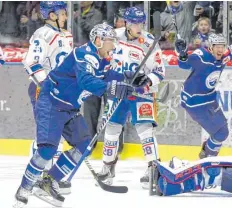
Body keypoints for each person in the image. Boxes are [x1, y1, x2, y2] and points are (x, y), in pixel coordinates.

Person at [13, 23, 139, 208]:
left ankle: (49, 181)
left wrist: (130, 76)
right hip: (51, 103)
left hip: (69, 108)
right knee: (47, 149)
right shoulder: (84, 55)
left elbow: (108, 74)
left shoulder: (102, 58)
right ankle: (24, 189)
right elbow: (86, 81)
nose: (114, 45)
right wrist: (113, 88)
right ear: (98, 41)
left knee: (84, 144)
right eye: (110, 41)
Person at [174, 20, 232, 159]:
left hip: (209, 98)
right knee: (221, 133)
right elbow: (184, 64)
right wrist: (181, 52)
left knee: (222, 131)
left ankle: (206, 153)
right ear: (210, 47)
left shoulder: (224, 56)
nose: (220, 49)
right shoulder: (201, 56)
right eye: (217, 46)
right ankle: (207, 159)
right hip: (194, 102)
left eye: (222, 46)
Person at [97, 6, 165, 189]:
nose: (138, 26)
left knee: (144, 129)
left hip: (140, 92)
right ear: (126, 22)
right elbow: (102, 57)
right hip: (117, 89)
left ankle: (153, 168)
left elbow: (160, 71)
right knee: (111, 128)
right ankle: (107, 167)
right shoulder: (114, 36)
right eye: (134, 23)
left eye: (141, 22)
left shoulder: (149, 41)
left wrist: (146, 80)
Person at [22, 1, 73, 194]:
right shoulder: (42, 35)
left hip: (63, 92)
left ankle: (50, 178)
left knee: (57, 134)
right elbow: (31, 62)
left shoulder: (66, 35)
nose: (65, 17)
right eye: (62, 13)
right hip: (43, 90)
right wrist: (47, 84)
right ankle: (38, 177)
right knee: (47, 135)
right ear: (51, 15)